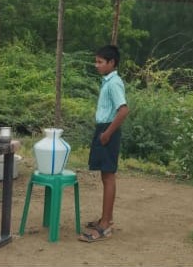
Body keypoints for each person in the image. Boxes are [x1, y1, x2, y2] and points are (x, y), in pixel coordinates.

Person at [79, 44, 130, 243]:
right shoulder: (107, 81)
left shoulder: (114, 83)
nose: (96, 65)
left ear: (112, 63)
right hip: (104, 129)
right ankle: (104, 218)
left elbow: (123, 110)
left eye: (100, 62)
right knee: (105, 175)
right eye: (96, 61)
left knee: (108, 177)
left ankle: (105, 225)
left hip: (108, 130)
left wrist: (108, 133)